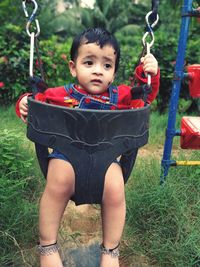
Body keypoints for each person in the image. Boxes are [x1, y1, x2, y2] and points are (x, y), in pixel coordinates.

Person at [16, 28, 160, 267]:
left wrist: (150, 75)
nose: (97, 70)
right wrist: (23, 102)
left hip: (106, 159)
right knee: (57, 182)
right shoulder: (59, 94)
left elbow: (143, 98)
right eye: (89, 62)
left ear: (113, 73)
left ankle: (110, 251)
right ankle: (48, 246)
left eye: (107, 65)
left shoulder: (122, 96)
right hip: (65, 157)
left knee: (115, 190)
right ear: (73, 67)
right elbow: (36, 101)